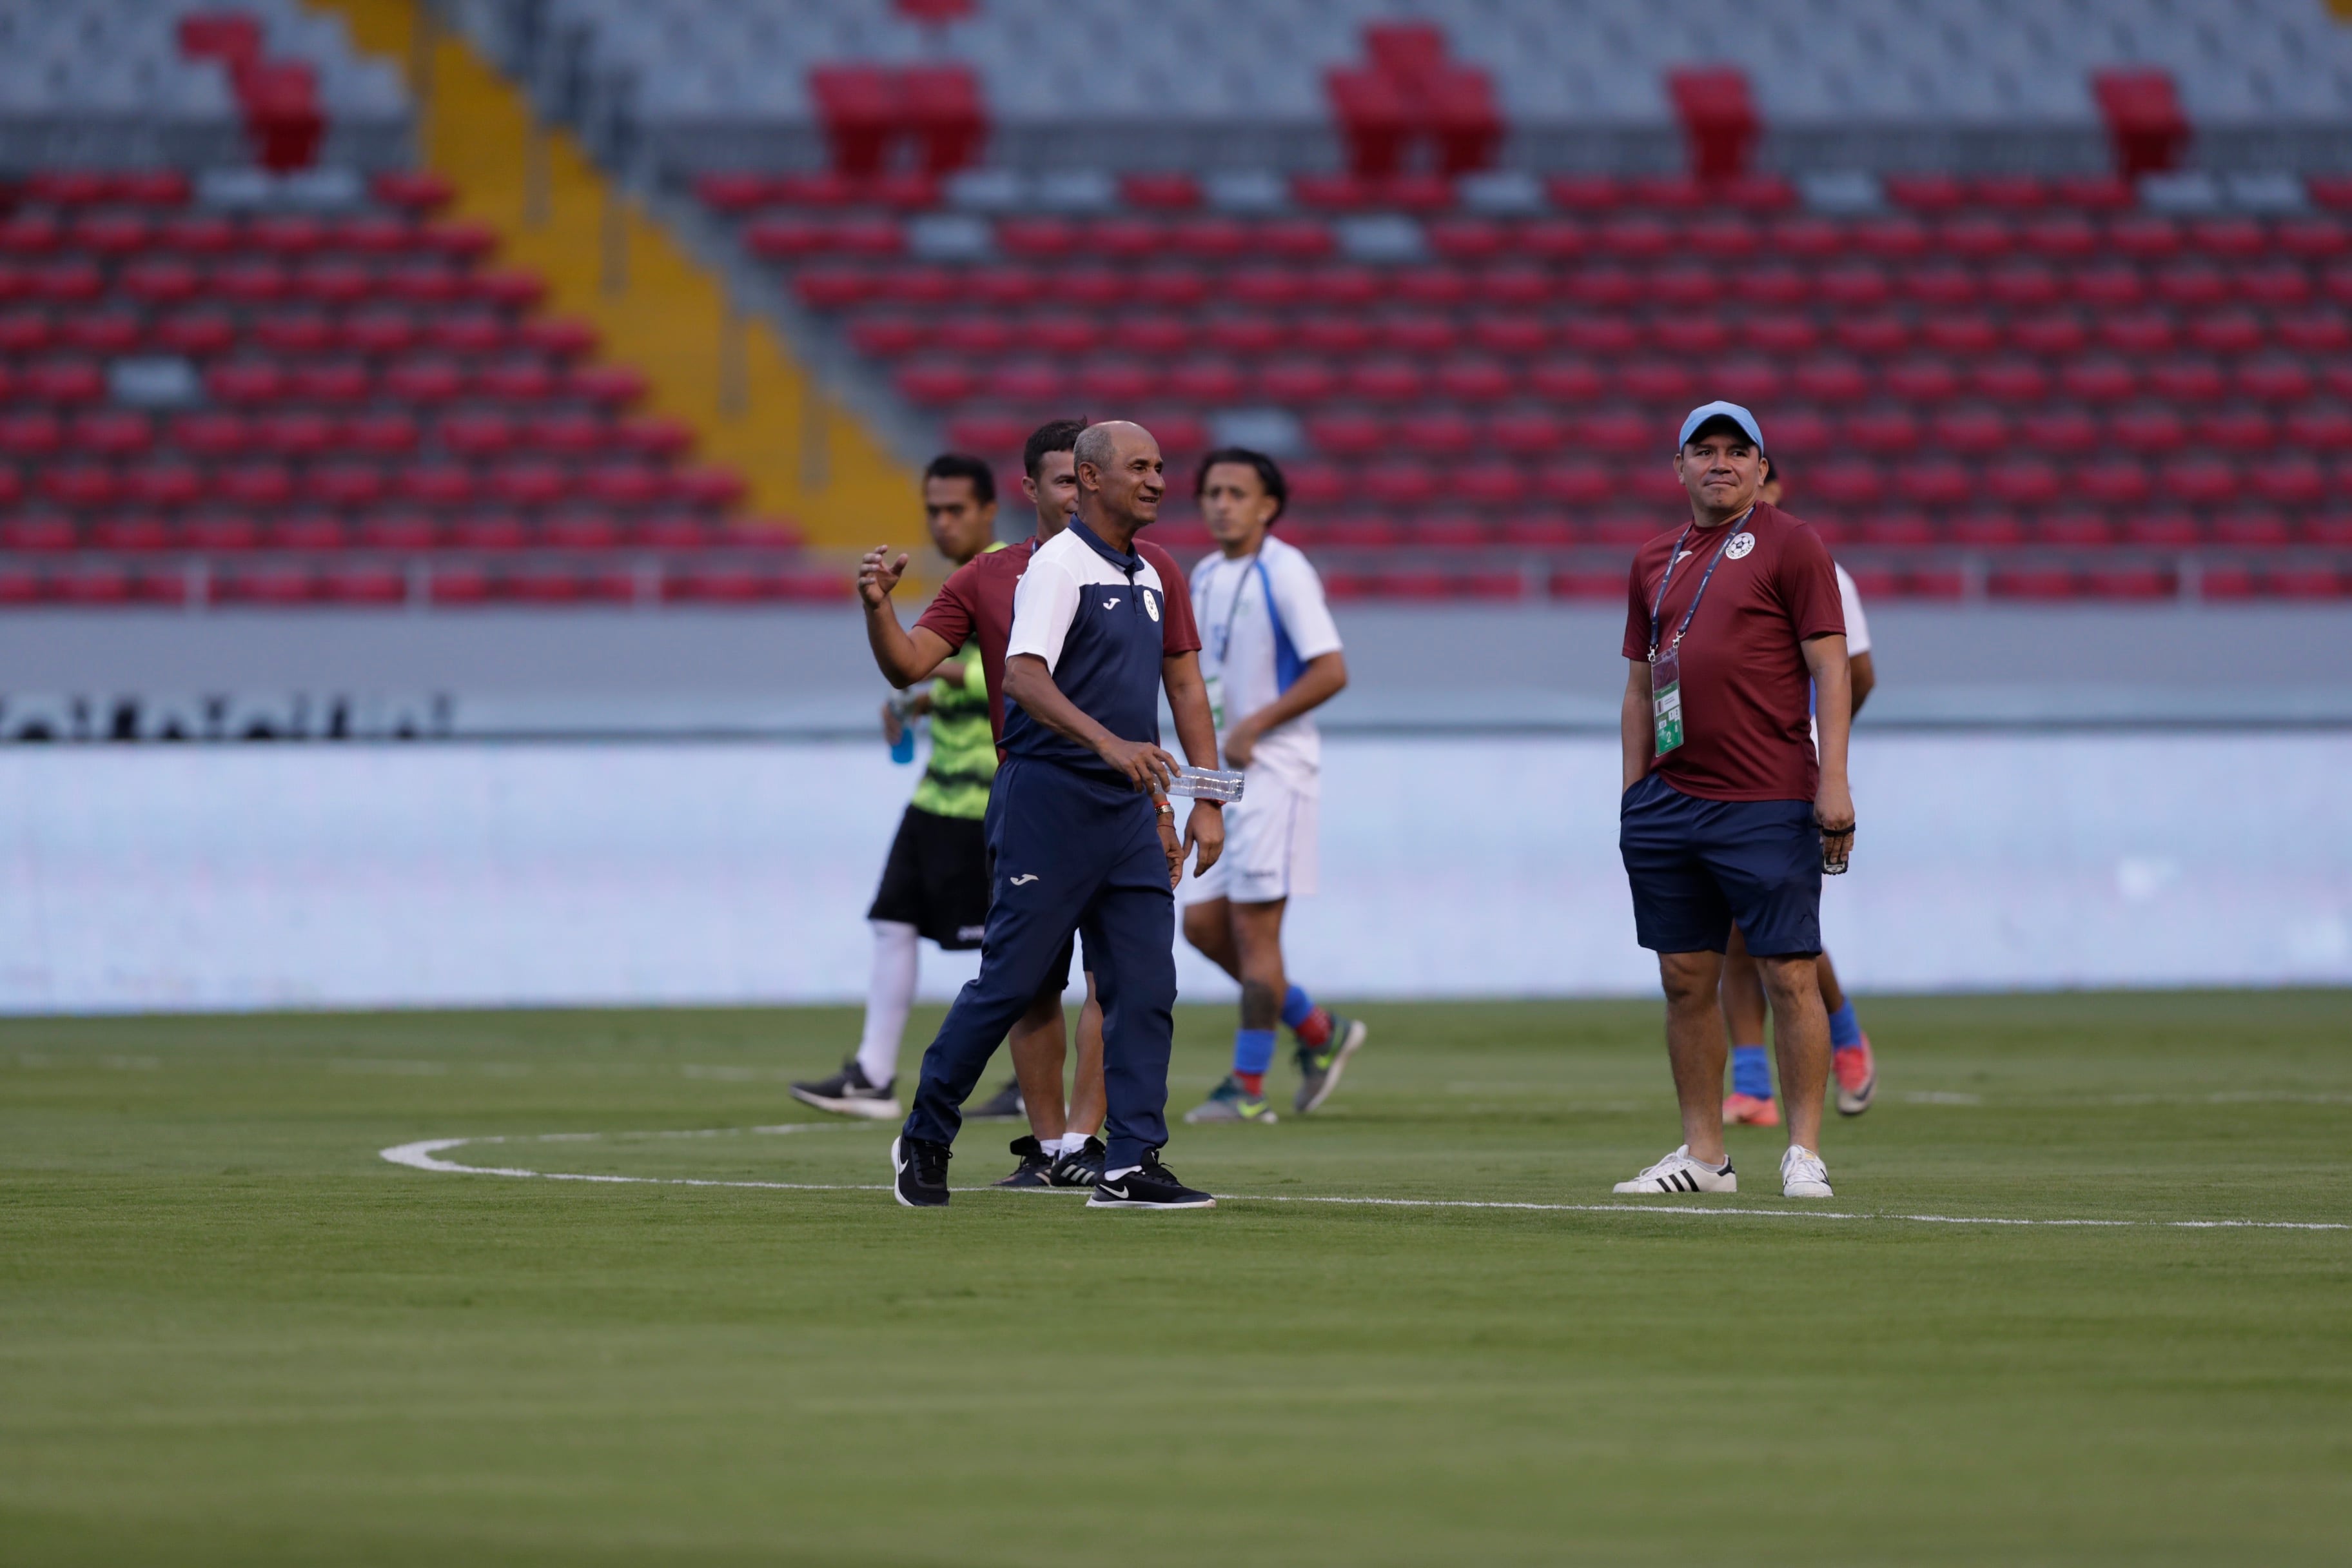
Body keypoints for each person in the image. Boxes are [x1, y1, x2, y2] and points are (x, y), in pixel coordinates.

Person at [854, 419, 1205, 1190]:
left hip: (1127, 805)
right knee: (1016, 984)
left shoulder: (1153, 572)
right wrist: (880, 608)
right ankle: (931, 1128)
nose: (1155, 480)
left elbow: (1182, 685)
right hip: (1046, 799)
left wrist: (1198, 797)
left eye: (1159, 466)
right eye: (1137, 467)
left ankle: (1129, 1157)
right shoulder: (1028, 573)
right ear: (1072, 481)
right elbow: (994, 675)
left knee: (1143, 985)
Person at [1612, 402, 1854, 1200]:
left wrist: (1835, 780)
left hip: (1765, 795)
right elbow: (1642, 686)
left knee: (1789, 972)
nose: (1719, 463)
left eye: (1736, 451)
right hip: (1670, 803)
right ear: (1677, 466)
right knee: (1686, 977)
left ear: (1760, 468)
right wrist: (1631, 792)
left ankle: (1805, 1151)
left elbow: (1831, 668)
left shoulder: (1793, 543)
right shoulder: (1654, 557)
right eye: (1703, 450)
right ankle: (1706, 1155)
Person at [791, 453, 999, 1122]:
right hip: (939, 793)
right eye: (933, 510)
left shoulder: (1013, 572)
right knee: (892, 921)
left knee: (1008, 948)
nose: (941, 523)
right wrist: (915, 706)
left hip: (988, 798)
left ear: (989, 511)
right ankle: (874, 1075)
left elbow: (1008, 671)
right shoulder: (958, 581)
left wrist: (929, 685)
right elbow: (942, 669)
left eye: (955, 509)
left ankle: (1032, 1079)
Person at [1177, 447, 1367, 1124]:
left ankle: (1247, 1088)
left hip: (1276, 770)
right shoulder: (1200, 574)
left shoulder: (1285, 571)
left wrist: (1258, 722)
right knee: (1199, 924)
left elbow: (1331, 669)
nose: (1222, 503)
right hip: (1215, 772)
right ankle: (1318, 1029)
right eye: (1212, 492)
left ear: (1268, 505)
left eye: (1237, 492)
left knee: (1256, 934)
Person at [1720, 458, 1879, 1128]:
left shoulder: (1822, 570)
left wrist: (1822, 748)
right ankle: (1753, 1083)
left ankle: (1843, 1034)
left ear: (1771, 487)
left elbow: (1858, 674)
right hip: (1723, 768)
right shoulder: (1701, 566)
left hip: (1789, 771)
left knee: (1781, 930)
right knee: (1733, 925)